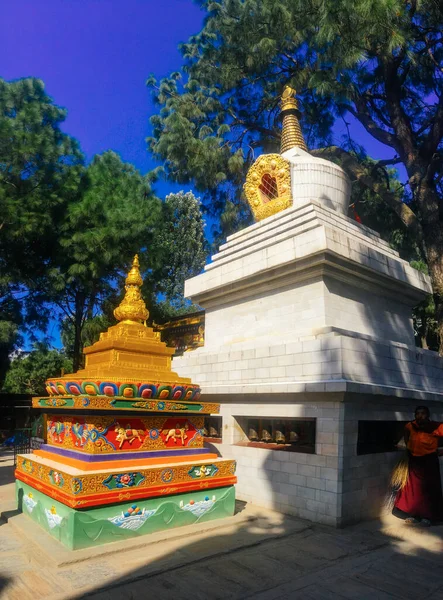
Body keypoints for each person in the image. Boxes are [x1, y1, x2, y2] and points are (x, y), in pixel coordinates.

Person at [393, 406, 443, 526]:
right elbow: (406, 437)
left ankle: (428, 516)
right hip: (414, 461)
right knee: (413, 490)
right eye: (417, 414)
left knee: (429, 490)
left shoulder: (436, 427)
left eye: (423, 413)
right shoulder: (410, 426)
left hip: (429, 461)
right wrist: (407, 448)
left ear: (428, 415)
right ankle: (413, 514)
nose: (420, 416)